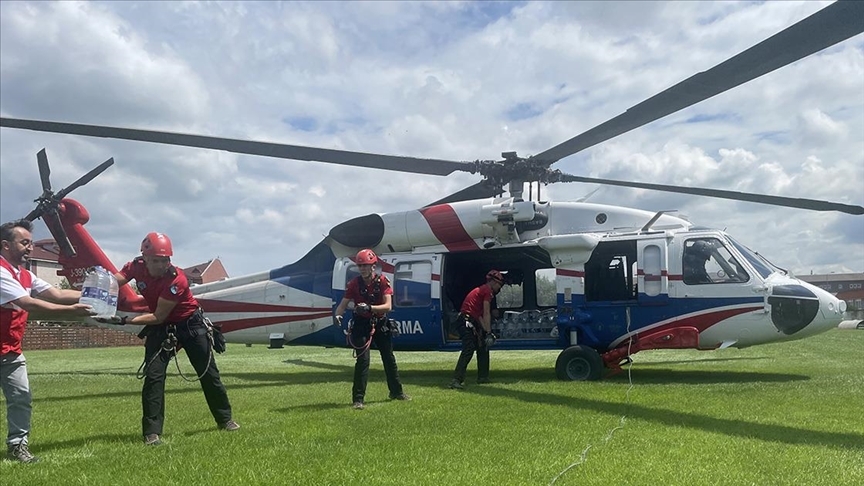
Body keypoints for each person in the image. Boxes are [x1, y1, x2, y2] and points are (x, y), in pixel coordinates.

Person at [97, 232, 238, 446]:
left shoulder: (176, 279)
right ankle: (151, 433)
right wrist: (97, 283)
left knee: (208, 373)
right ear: (144, 258)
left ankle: (225, 419)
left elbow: (158, 316)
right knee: (154, 377)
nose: (161, 265)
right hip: (161, 328)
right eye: (156, 261)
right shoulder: (135, 266)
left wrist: (124, 321)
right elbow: (114, 283)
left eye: (165, 260)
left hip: (189, 324)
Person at [1, 219, 94, 463]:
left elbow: (58, 293)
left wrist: (100, 294)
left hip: (10, 351)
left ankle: (17, 447)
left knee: (21, 398)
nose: (30, 247)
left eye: (31, 243)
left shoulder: (25, 275)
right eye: (24, 243)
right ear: (5, 245)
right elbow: (27, 303)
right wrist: (73, 311)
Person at [334, 249, 410, 409]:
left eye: (365, 265)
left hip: (380, 323)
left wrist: (369, 308)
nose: (362, 268)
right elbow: (342, 305)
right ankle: (358, 400)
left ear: (373, 266)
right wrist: (338, 316)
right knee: (363, 361)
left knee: (389, 359)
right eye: (360, 265)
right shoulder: (354, 284)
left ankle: (397, 392)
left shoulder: (383, 282)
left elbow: (388, 306)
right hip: (361, 325)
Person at [449, 270, 505, 390]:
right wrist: (489, 333)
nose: (499, 288)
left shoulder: (481, 291)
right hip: (466, 321)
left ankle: (483, 377)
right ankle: (456, 380)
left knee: (482, 346)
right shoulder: (487, 292)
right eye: (499, 285)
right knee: (468, 349)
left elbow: (478, 315)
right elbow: (486, 313)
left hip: (470, 320)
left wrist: (486, 332)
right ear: (493, 282)